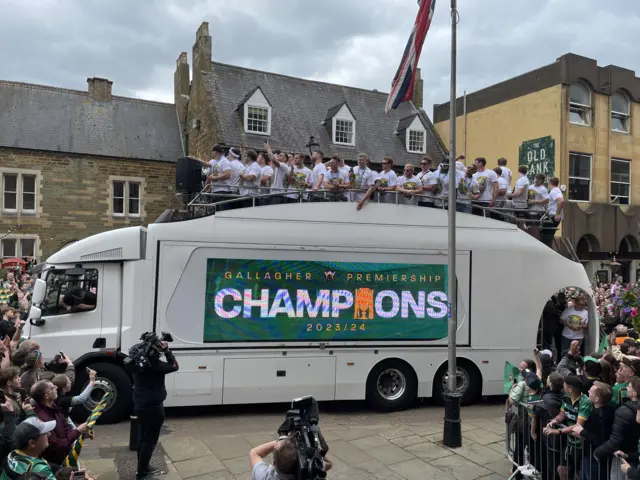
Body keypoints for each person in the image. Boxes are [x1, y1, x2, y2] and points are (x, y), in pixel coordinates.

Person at [131, 339, 178, 479]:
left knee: (142, 439)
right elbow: (174, 366)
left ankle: (143, 467)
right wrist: (167, 351)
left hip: (140, 405)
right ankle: (142, 472)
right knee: (149, 441)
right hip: (153, 408)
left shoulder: (136, 364)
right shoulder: (156, 365)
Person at [31, 380, 90, 466]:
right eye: (52, 388)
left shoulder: (54, 407)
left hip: (65, 456)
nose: (56, 387)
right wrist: (77, 431)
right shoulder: (42, 418)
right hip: (56, 463)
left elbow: (65, 428)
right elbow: (58, 446)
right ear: (46, 396)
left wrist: (81, 434)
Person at [250, 437, 332, 480]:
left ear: (274, 463)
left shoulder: (262, 476)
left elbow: (254, 453)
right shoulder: (309, 475)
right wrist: (316, 450)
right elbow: (329, 464)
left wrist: (278, 442)